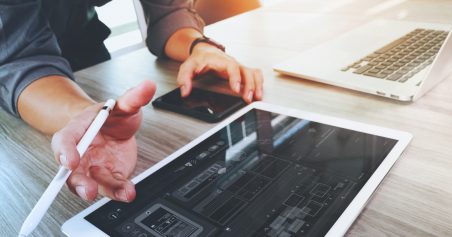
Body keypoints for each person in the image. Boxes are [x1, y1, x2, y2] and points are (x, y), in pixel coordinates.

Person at [0, 0, 264, 203]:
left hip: (84, 40)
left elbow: (169, 13)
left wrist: (199, 47)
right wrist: (84, 115)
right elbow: (19, 60)